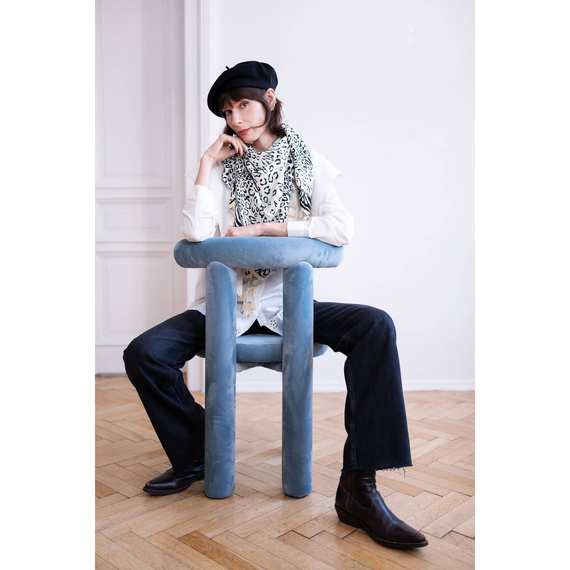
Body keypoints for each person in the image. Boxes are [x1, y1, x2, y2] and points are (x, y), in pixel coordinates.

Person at [123, 61, 428, 550]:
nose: (236, 118)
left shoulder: (308, 163)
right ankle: (198, 451)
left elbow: (340, 228)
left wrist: (269, 229)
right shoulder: (220, 170)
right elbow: (195, 232)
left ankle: (360, 488)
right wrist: (206, 164)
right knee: (144, 353)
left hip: (288, 307)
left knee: (375, 326)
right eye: (227, 112)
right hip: (225, 308)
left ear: (269, 99)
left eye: (243, 105)